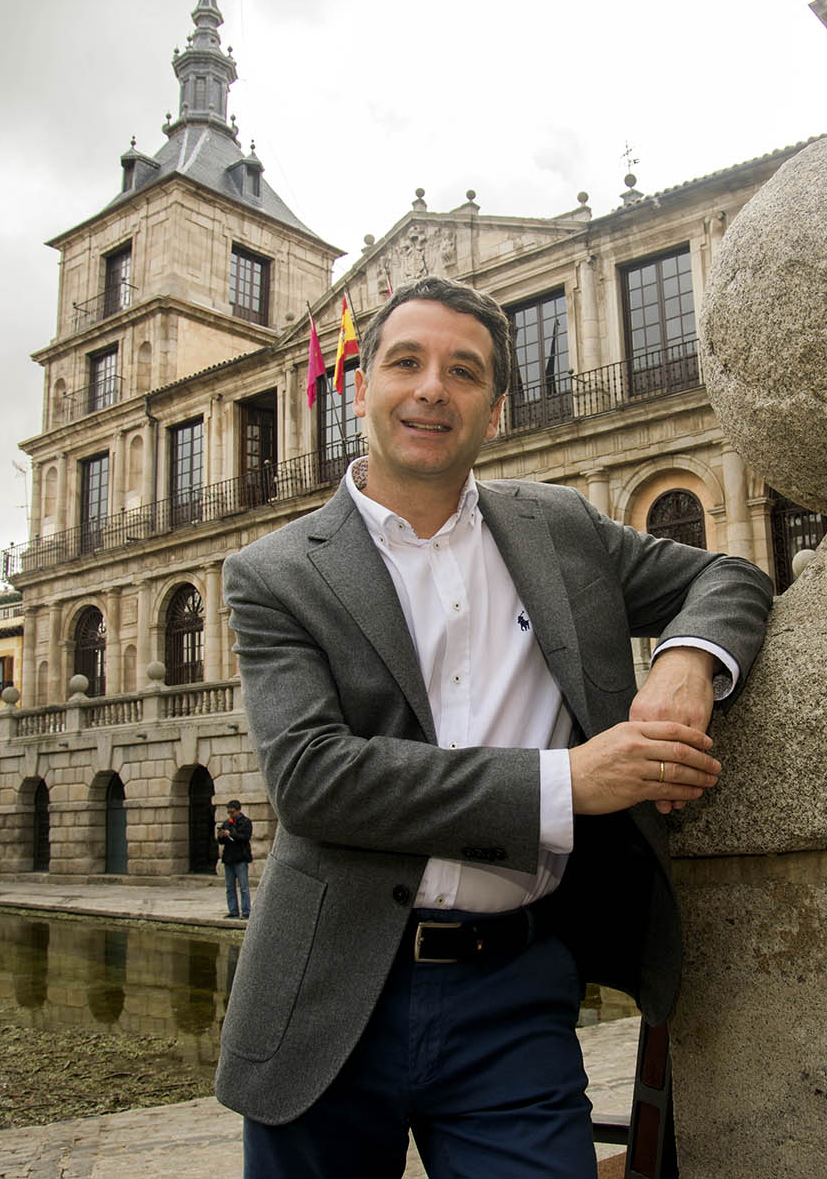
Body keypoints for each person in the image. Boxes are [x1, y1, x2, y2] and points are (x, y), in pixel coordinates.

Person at [215, 275, 772, 1177]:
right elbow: (315, 780)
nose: (433, 386)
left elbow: (730, 578)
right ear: (364, 390)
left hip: (514, 992)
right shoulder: (275, 573)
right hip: (328, 993)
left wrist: (686, 662)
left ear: (496, 411)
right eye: (407, 361)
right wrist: (569, 782)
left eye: (464, 371)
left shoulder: (558, 527)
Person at [216, 799, 253, 919]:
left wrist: (231, 834)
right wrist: (221, 836)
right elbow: (221, 842)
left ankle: (246, 911)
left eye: (232, 812)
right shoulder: (226, 823)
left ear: (238, 810)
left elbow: (245, 837)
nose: (230, 815)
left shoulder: (246, 822)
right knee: (230, 887)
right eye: (229, 812)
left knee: (244, 887)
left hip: (241, 857)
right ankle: (233, 911)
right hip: (229, 858)